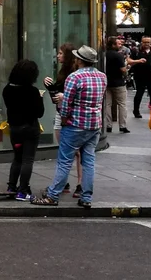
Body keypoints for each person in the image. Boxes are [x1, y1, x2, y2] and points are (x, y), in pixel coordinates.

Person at [33, 45, 106, 208]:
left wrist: (65, 119)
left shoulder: (74, 77)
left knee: (65, 161)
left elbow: (66, 104)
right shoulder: (102, 76)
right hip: (94, 125)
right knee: (89, 161)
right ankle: (86, 197)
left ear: (79, 60)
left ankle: (53, 196)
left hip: (75, 124)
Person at [44, 43, 83, 197]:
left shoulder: (75, 73)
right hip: (61, 112)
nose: (58, 55)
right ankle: (63, 182)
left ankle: (80, 184)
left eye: (61, 53)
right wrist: (50, 87)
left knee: (77, 152)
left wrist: (63, 96)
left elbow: (77, 96)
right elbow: (56, 95)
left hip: (73, 114)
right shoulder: (63, 72)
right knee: (64, 150)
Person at [3, 59, 45, 201]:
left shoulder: (7, 89)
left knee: (17, 158)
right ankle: (22, 191)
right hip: (30, 128)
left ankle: (11, 187)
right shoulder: (32, 91)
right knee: (27, 159)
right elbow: (39, 113)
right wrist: (40, 98)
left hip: (14, 129)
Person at [103, 37, 130, 133]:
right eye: (118, 44)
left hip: (107, 82)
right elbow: (123, 69)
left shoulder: (104, 55)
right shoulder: (118, 55)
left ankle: (108, 125)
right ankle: (122, 126)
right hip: (119, 83)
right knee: (122, 104)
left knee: (107, 104)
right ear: (113, 45)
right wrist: (126, 71)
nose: (120, 45)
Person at [128, 35, 151, 118]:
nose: (146, 44)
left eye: (148, 42)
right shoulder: (136, 50)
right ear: (141, 42)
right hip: (139, 75)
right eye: (144, 42)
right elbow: (129, 60)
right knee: (139, 93)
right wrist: (138, 61)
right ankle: (136, 111)